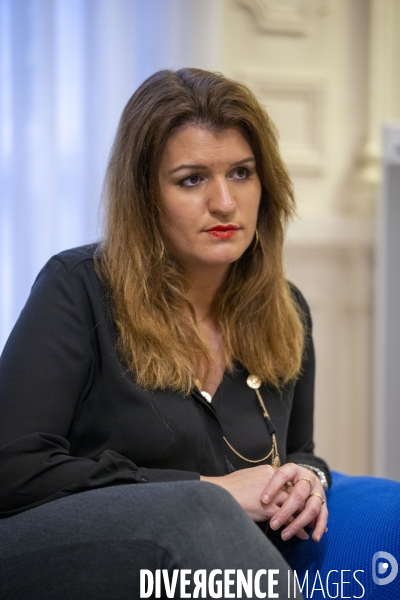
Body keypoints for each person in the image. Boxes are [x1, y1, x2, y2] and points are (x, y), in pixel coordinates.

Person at [0, 68, 330, 599]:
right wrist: (212, 490)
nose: (224, 202)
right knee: (198, 512)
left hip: (202, 573)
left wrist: (311, 480)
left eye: (242, 173)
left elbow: (299, 450)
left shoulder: (287, 310)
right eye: (192, 179)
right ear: (145, 196)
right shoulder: (77, 287)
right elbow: (12, 468)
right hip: (59, 547)